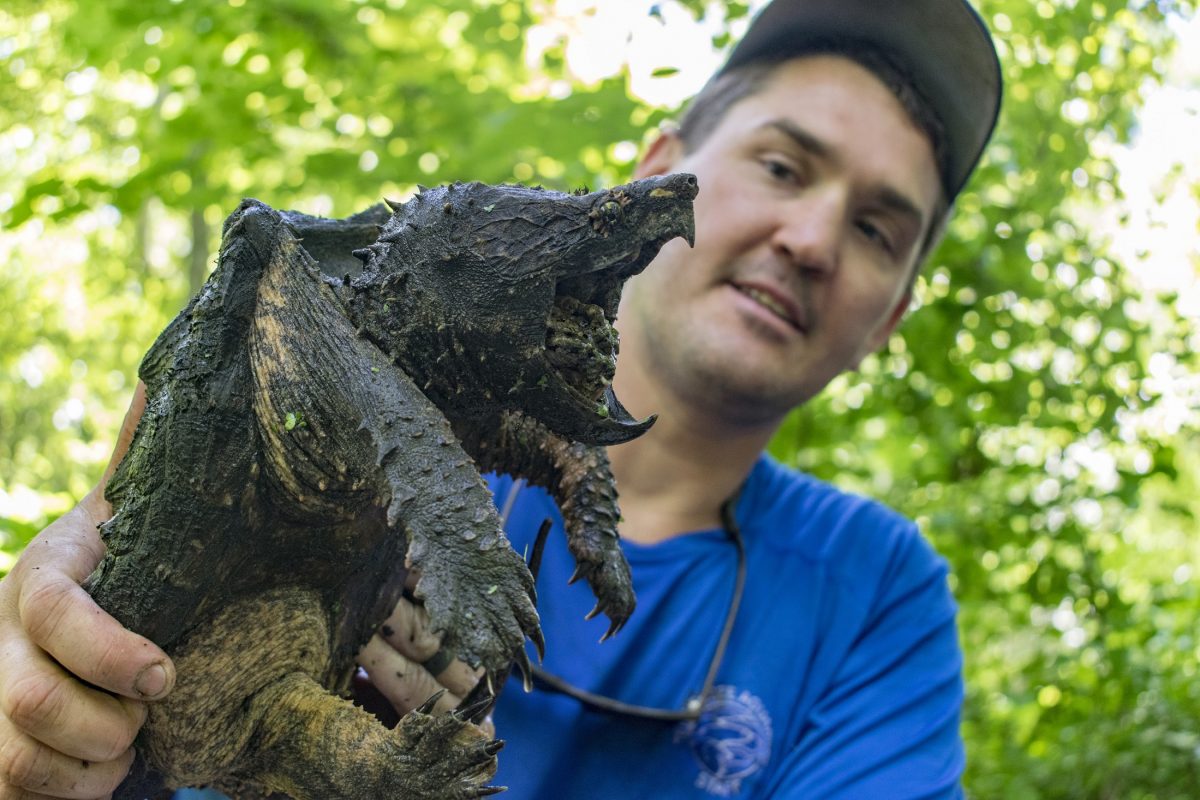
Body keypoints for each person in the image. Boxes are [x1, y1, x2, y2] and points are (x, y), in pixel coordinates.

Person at [0, 0, 1002, 797]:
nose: (814, 238)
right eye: (782, 165)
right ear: (657, 172)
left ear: (891, 315)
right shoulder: (355, 356)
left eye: (877, 228)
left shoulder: (876, 591)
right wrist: (43, 693)